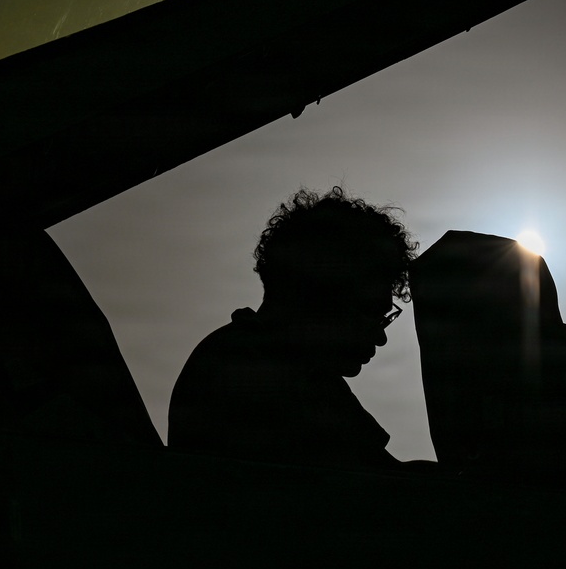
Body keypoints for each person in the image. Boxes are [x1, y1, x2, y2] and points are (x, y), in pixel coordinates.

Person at [168, 187, 418, 469]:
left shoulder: (294, 368)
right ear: (322, 294)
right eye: (370, 312)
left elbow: (387, 473)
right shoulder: (251, 368)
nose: (380, 336)